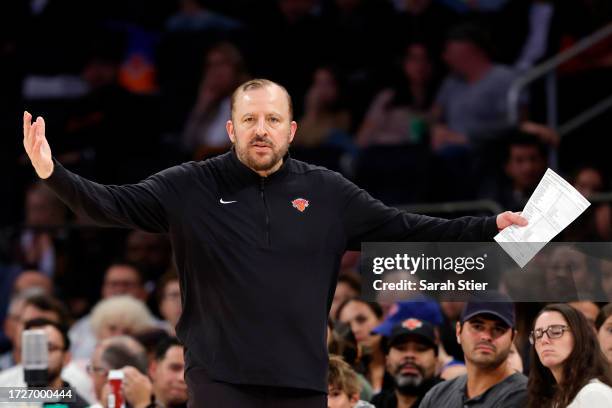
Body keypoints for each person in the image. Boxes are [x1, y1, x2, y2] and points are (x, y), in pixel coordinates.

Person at [23, 78, 526, 407]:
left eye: (271, 121)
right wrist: (52, 172)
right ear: (230, 129)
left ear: (291, 129)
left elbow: (409, 229)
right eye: (248, 120)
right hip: (219, 378)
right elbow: (109, 203)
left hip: (301, 381)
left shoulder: (328, 192)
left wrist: (488, 227)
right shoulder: (190, 185)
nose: (260, 131)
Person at [419, 295, 528, 407]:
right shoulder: (437, 396)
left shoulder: (527, 397)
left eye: (498, 329)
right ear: (458, 331)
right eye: (477, 326)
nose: (486, 336)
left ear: (512, 338)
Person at [527, 303, 612, 407]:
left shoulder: (594, 394)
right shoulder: (553, 399)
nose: (544, 340)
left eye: (556, 331)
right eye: (537, 334)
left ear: (579, 336)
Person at [371, 318, 443, 408]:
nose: (409, 355)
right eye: (401, 348)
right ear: (387, 360)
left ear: (436, 361)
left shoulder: (450, 400)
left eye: (421, 349)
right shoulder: (377, 403)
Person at [23, 318, 90, 407]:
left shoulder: (78, 405)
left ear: (66, 358)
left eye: (49, 348)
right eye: (33, 347)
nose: (40, 355)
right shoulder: (5, 388)